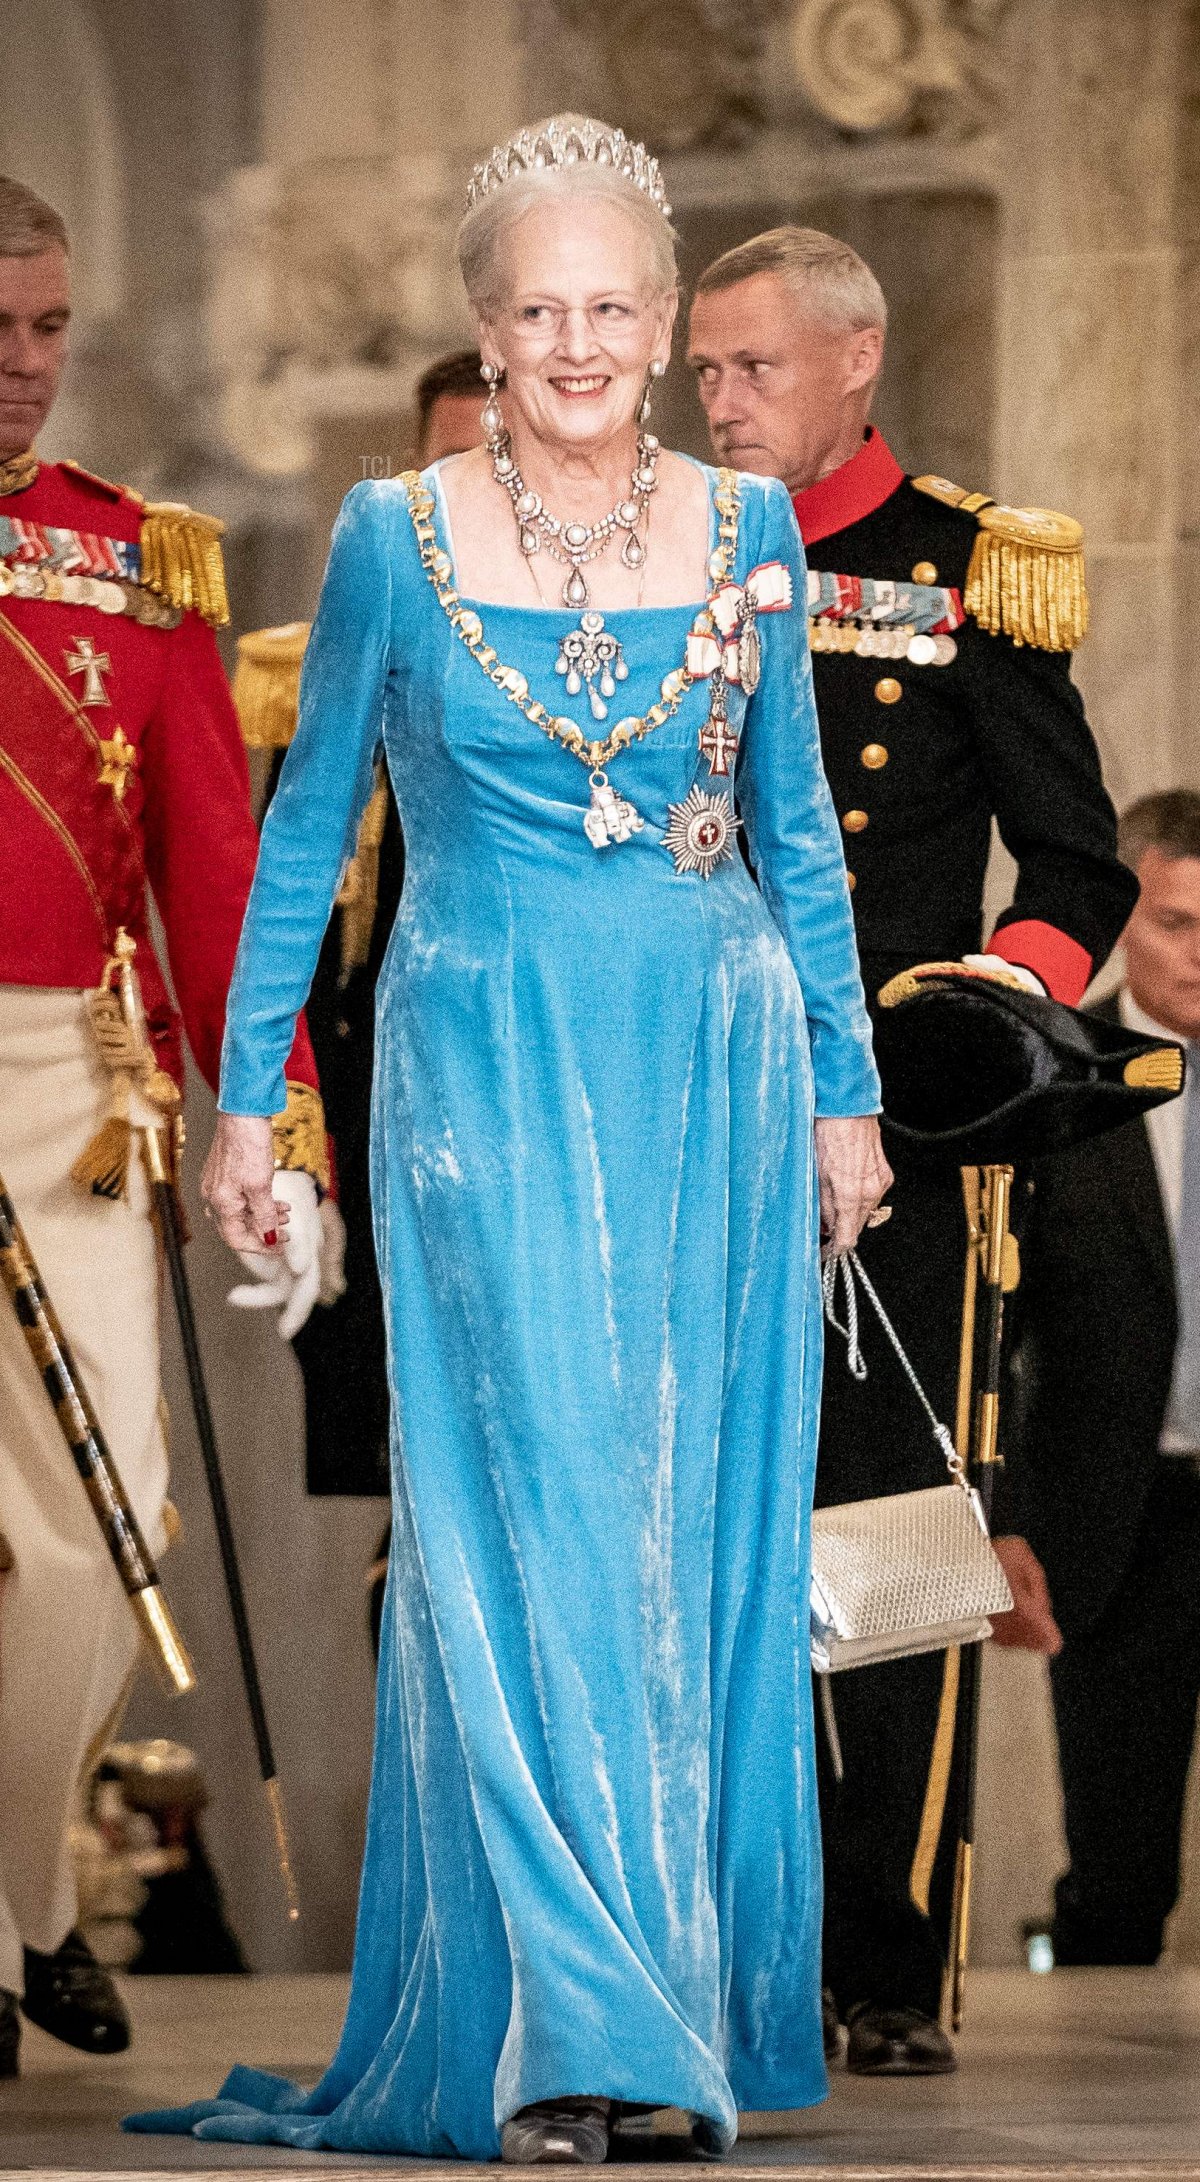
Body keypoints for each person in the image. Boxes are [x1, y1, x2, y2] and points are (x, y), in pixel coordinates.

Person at [125, 114, 887, 2163]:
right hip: (483, 1065)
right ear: (484, 324)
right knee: (526, 1514)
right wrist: (248, 1102)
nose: (576, 344)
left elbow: (801, 831)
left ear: (661, 321)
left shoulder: (751, 534)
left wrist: (846, 1090)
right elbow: (305, 839)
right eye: (536, 310)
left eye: (613, 308)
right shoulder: (392, 532)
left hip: (713, 1068)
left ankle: (668, 2002)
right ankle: (573, 2017)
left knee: (687, 1524)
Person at [688, 226, 1137, 2075]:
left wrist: (979, 999)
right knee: (707, 1545)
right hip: (683, 1113)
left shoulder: (966, 570)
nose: (716, 404)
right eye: (700, 371)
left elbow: (1084, 864)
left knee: (878, 1549)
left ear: (856, 361)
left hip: (896, 1140)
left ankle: (885, 1952)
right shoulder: (658, 551)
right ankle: (727, 1929)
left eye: (754, 369)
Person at [0, 177, 328, 2079]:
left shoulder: (135, 563)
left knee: (105, 1531)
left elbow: (219, 867)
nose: (28, 370)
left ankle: (27, 1898)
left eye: (50, 329)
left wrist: (276, 1131)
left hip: (74, 1103)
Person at [233, 349, 488, 1528]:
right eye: (451, 464)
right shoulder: (330, 662)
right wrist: (296, 1148)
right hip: (373, 1130)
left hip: (520, 1107)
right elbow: (284, 923)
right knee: (405, 1508)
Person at [1008, 792, 1200, 1968]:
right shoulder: (1058, 1075)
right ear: (1126, 918)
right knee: (1124, 1866)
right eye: (1180, 922)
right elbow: (997, 1324)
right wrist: (1007, 1516)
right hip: (1124, 1513)